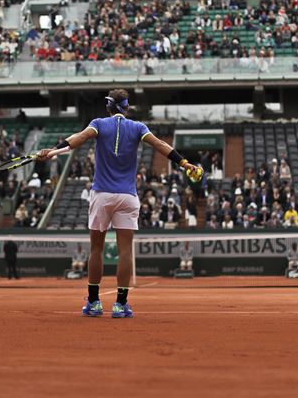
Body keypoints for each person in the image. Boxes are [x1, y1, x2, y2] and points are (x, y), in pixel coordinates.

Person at [38, 88, 202, 318]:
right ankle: (120, 304)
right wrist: (185, 163)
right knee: (125, 251)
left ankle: (94, 303)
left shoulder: (98, 123)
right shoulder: (138, 127)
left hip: (102, 195)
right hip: (127, 196)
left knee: (96, 249)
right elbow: (160, 146)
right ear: (127, 107)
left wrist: (53, 151)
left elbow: (79, 138)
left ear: (108, 106)